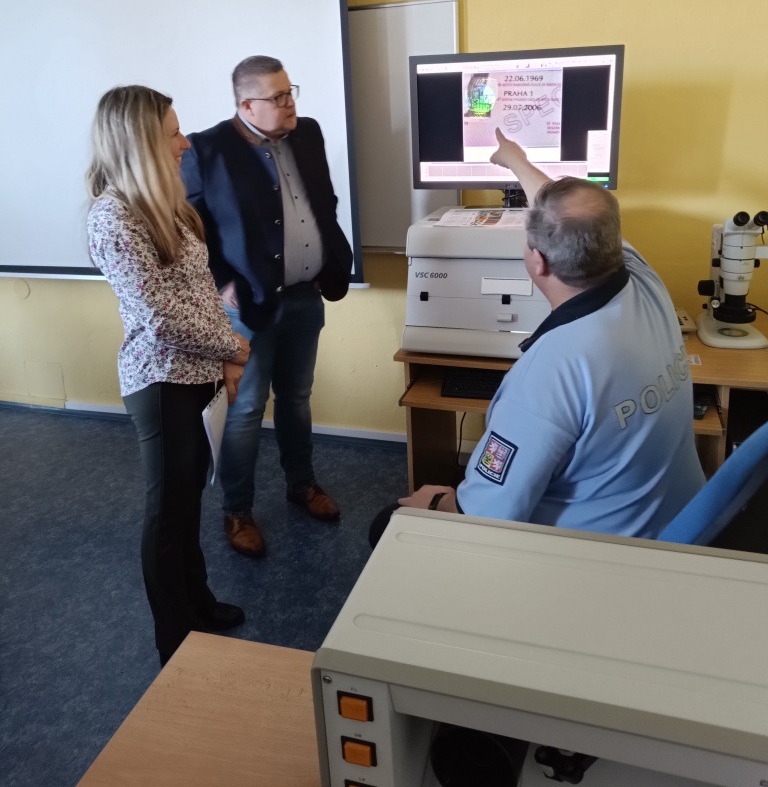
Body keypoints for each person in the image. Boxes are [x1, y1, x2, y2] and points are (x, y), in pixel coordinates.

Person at [393, 129, 705, 539]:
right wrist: (516, 161)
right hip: (681, 525)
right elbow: (566, 212)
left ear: (537, 261)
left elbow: (485, 513)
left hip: (603, 554)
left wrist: (435, 503)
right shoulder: (645, 279)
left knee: (389, 523)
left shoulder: (550, 372)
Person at [86, 85, 252, 666]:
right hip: (161, 384)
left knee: (187, 504)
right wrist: (233, 346)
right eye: (173, 133)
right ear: (139, 142)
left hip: (199, 373)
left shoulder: (169, 205)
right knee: (167, 514)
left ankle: (198, 603)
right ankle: (174, 638)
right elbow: (158, 316)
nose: (185, 143)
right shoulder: (113, 217)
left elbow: (200, 293)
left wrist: (225, 356)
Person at [181, 55, 353, 557]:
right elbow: (192, 226)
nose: (289, 103)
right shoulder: (207, 148)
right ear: (245, 105)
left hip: (304, 293)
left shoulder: (307, 133)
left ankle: (303, 485)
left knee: (297, 397)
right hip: (248, 306)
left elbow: (324, 203)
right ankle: (237, 510)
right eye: (277, 97)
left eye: (290, 91)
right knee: (246, 410)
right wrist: (222, 285)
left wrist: (325, 260)